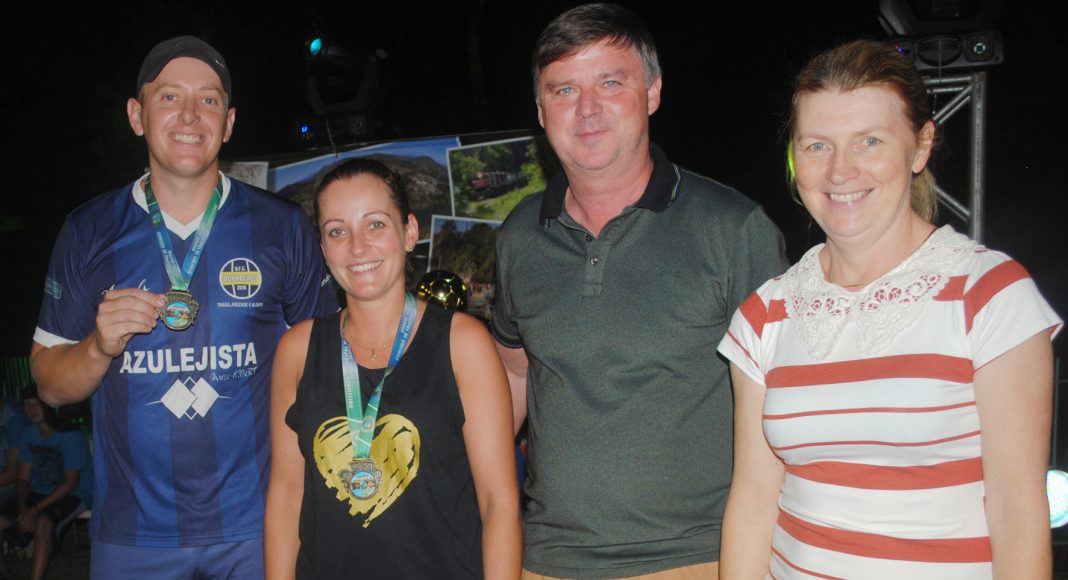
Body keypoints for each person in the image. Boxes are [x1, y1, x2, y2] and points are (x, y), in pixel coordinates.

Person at [718, 39, 1062, 579]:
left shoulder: (991, 295)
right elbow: (754, 500)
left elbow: (1018, 514)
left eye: (870, 141)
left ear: (920, 147)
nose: (840, 171)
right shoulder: (764, 314)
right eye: (817, 146)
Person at [491, 4, 788, 578]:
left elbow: (787, 406)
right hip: (549, 561)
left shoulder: (733, 229)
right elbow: (515, 373)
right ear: (541, 111)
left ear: (652, 91)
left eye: (610, 83)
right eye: (564, 90)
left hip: (699, 557)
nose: (587, 109)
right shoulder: (520, 236)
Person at [29, 36, 337, 579]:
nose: (190, 114)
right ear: (137, 115)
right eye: (170, 97)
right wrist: (98, 348)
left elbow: (327, 366)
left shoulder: (282, 227)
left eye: (208, 99)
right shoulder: (87, 231)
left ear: (229, 122)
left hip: (259, 525)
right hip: (133, 535)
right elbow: (50, 386)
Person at [265, 159, 520, 579]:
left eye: (376, 224)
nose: (357, 247)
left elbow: (499, 503)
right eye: (337, 231)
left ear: (410, 231)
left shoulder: (463, 343)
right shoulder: (297, 350)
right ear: (323, 247)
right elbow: (286, 495)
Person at [0, 387, 92, 580]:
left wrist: (35, 510)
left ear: (49, 405)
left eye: (36, 404)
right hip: (40, 491)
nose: (31, 409)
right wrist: (24, 507)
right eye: (27, 404)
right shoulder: (29, 434)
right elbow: (22, 478)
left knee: (44, 521)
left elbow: (71, 483)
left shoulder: (69, 433)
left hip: (74, 494)